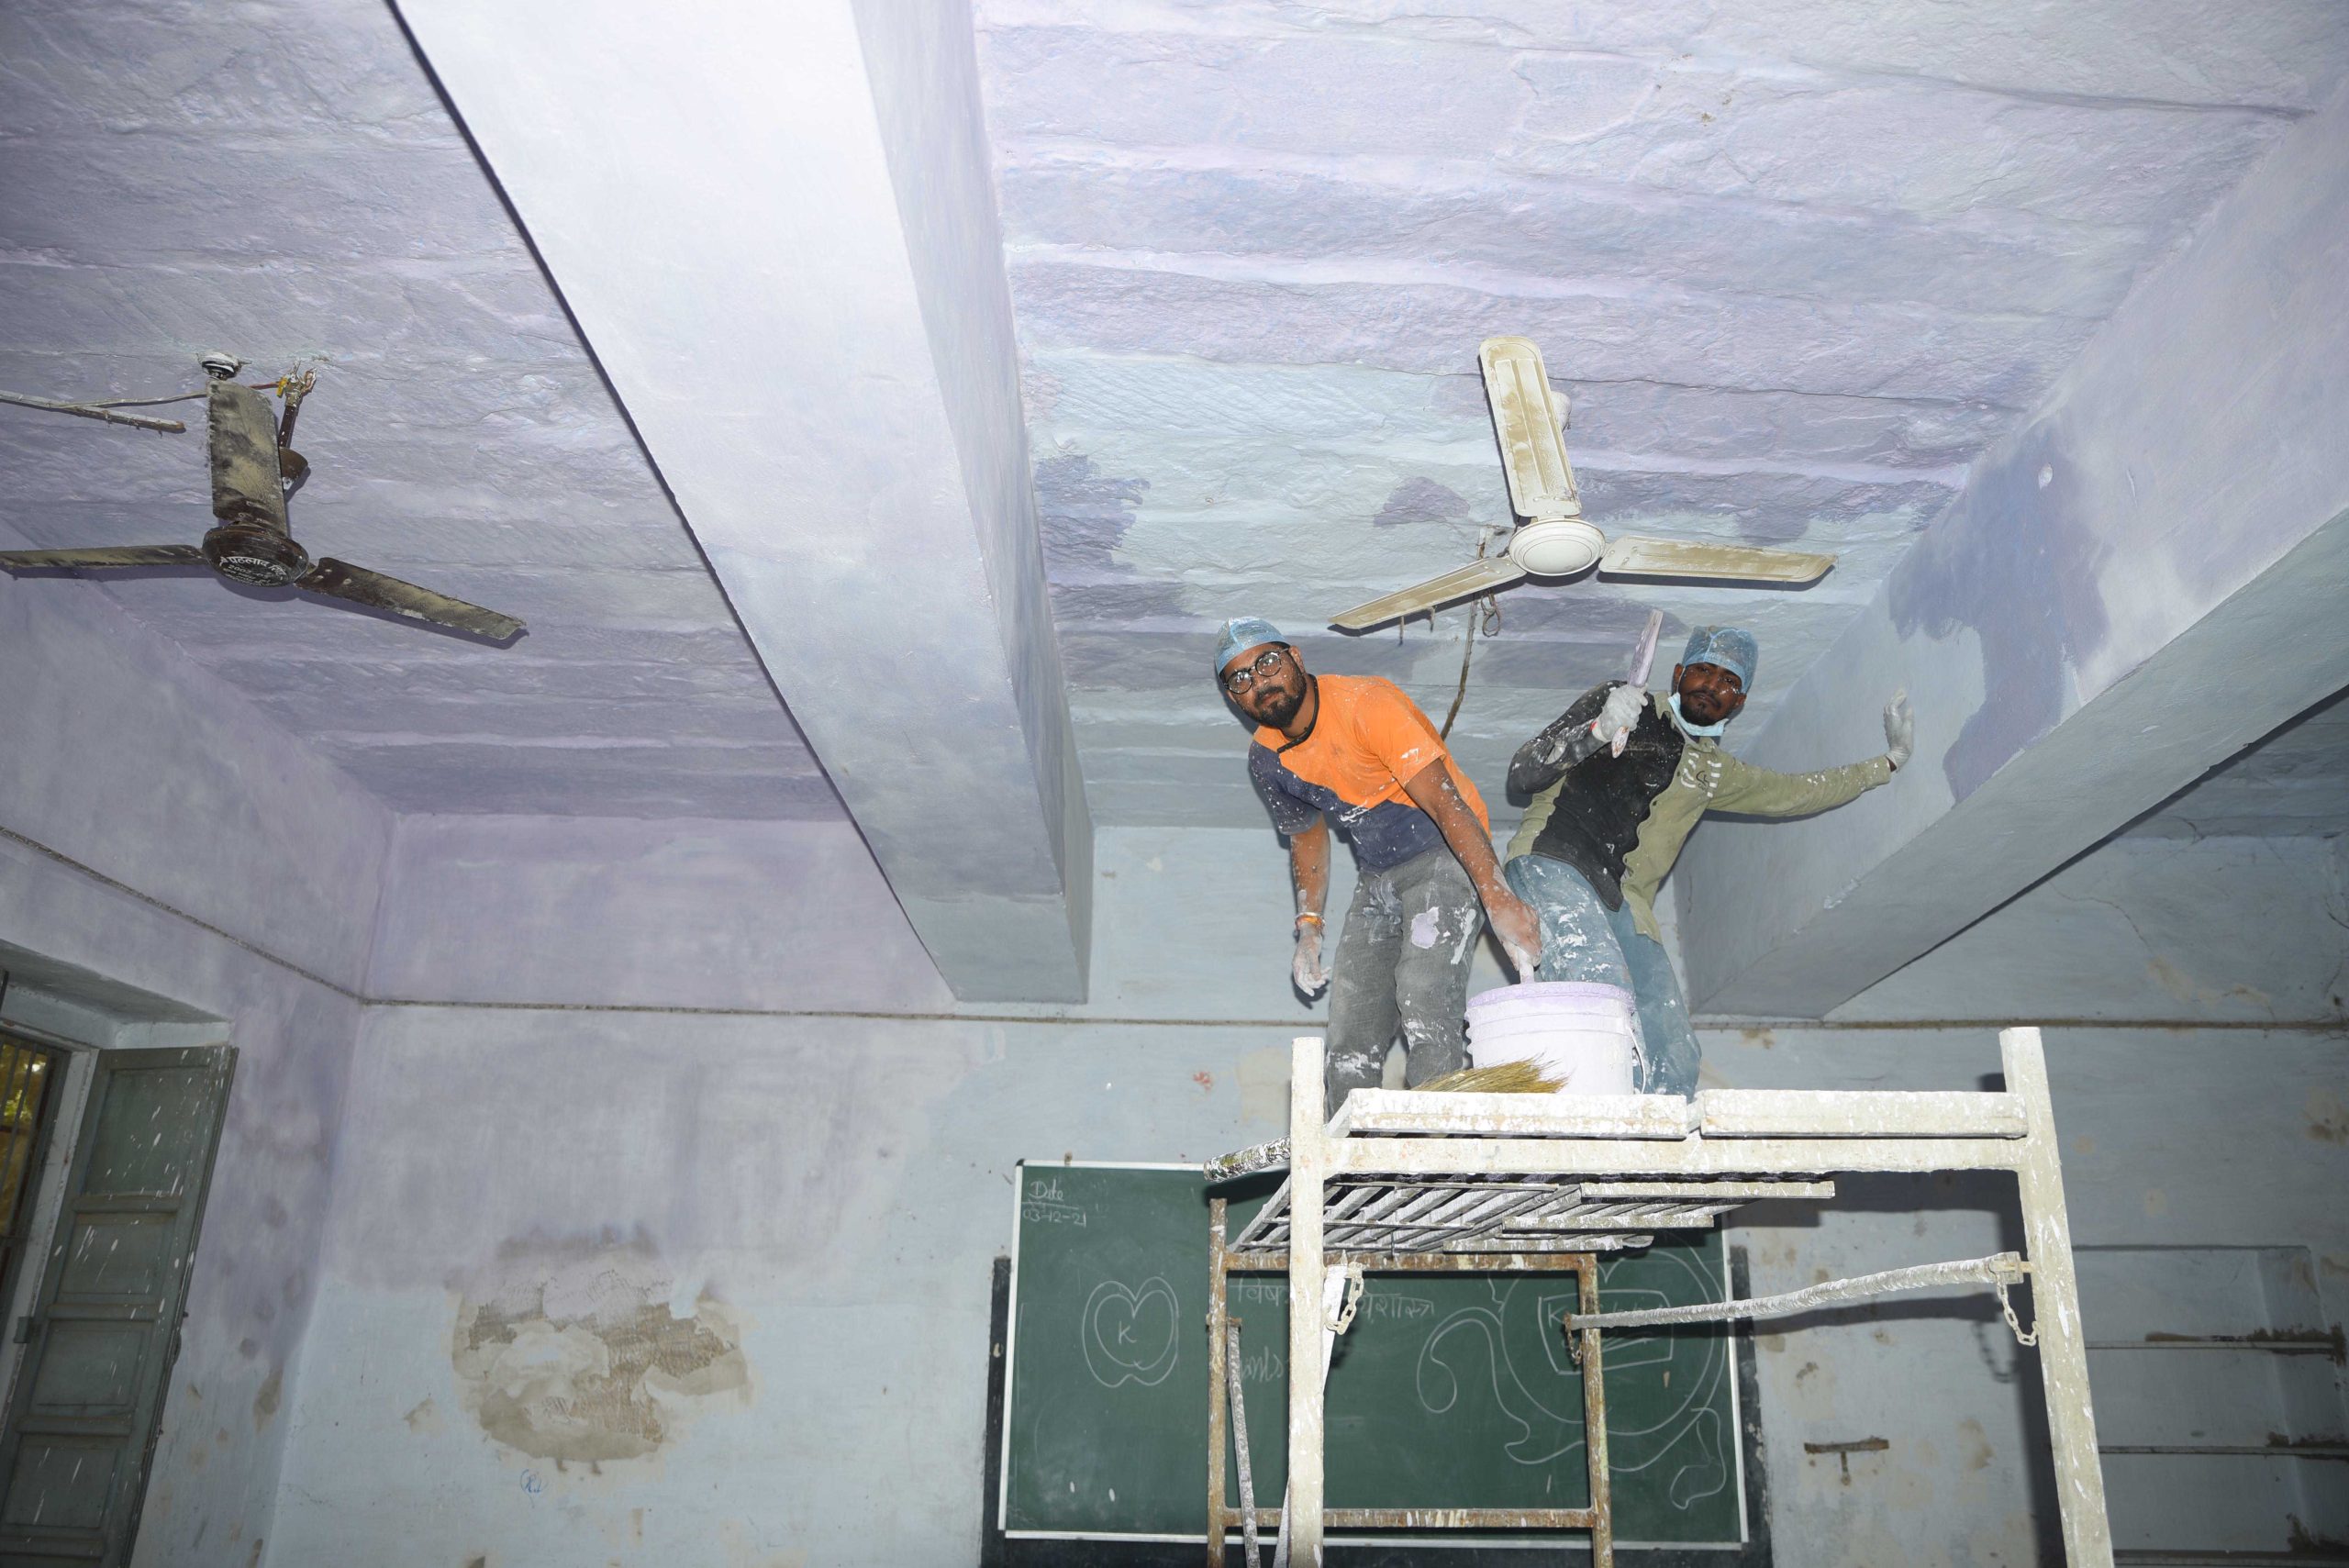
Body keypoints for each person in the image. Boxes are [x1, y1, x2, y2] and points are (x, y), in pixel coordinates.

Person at [1503, 626, 1914, 1096]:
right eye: (1703, 670)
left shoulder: (1714, 771)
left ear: (1739, 702)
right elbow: (1523, 772)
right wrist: (1599, 729)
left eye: (1729, 682)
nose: (1713, 686)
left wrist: (1890, 761)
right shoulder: (1624, 701)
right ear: (1679, 673)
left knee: (1674, 1055)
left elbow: (1796, 792)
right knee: (1601, 998)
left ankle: (1651, 1142)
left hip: (1628, 904)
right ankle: (1594, 1129)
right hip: (1558, 863)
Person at [1217, 618, 1542, 1107]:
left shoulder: (1367, 704)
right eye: (1241, 678)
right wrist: (1309, 927)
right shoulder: (1267, 758)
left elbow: (1445, 803)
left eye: (1267, 663)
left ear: (1295, 658)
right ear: (1233, 698)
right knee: (1350, 1030)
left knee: (1424, 997)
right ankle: (1348, 1151)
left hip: (1445, 855)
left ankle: (1436, 1135)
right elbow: (1306, 835)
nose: (1260, 682)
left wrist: (1497, 899)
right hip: (1377, 875)